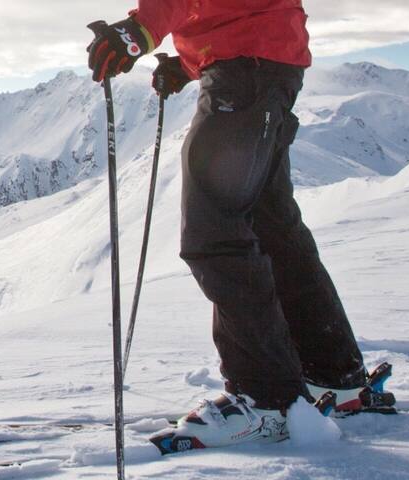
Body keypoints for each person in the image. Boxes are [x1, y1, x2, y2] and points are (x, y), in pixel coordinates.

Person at [85, 0, 374, 452]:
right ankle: (333, 376)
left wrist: (142, 29)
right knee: (271, 227)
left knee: (214, 232)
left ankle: (268, 399)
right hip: (261, 59)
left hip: (248, 67)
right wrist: (188, 62)